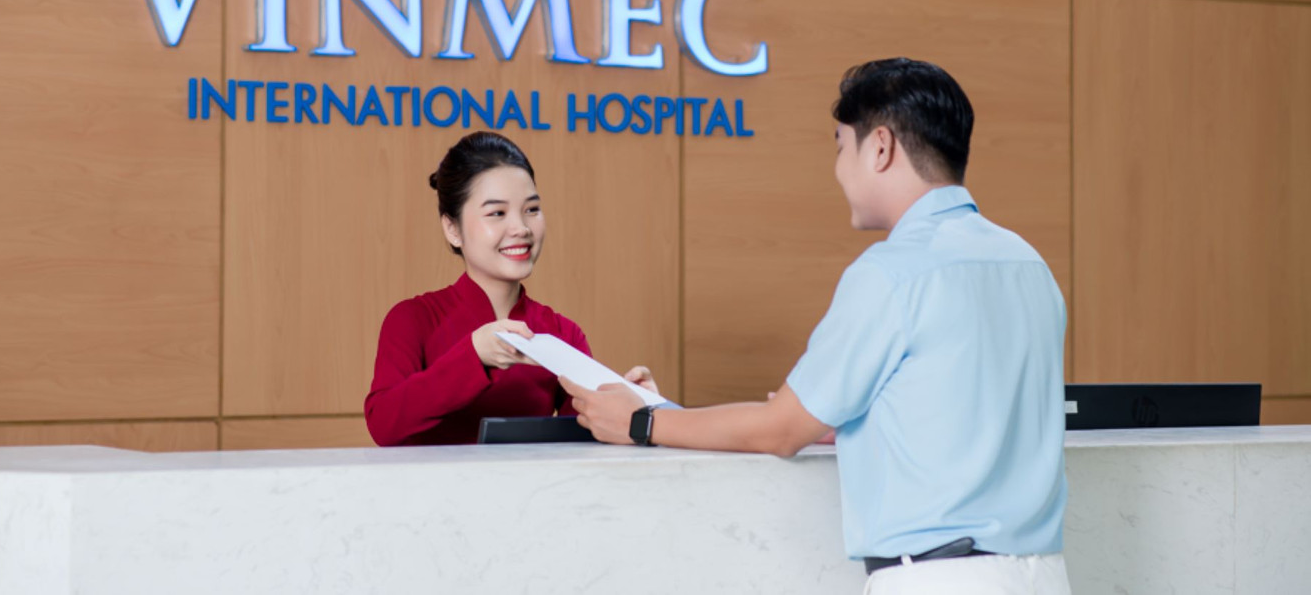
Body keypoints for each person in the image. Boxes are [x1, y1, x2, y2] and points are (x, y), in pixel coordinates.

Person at [564, 58, 1070, 594]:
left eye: (840, 146)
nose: (838, 170)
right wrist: (860, 424)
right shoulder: (1027, 264)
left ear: (880, 147)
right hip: (1044, 576)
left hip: (940, 580)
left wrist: (642, 422)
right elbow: (965, 403)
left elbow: (781, 430)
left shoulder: (892, 272)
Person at [365, 131, 656, 446]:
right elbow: (383, 424)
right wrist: (472, 356)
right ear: (452, 229)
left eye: (531, 209)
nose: (521, 228)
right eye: (497, 213)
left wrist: (639, 410)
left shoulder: (563, 333)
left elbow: (585, 441)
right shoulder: (413, 320)